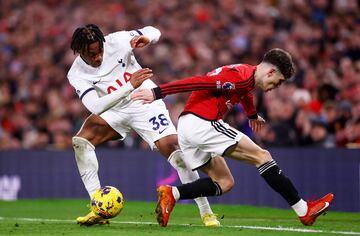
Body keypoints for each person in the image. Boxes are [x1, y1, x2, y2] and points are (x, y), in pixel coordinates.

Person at [132, 48, 334, 227]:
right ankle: (303, 210)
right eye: (278, 81)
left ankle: (173, 193)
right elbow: (199, 81)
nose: (276, 86)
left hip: (187, 126)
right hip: (202, 122)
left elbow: (245, 93)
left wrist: (252, 114)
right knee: (262, 156)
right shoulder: (239, 77)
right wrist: (158, 92)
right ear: (271, 71)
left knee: (224, 182)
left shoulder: (245, 74)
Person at [67, 24, 220, 227]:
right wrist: (129, 85)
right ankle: (99, 206)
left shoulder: (117, 40)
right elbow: (95, 105)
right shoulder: (76, 73)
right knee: (81, 141)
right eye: (91, 54)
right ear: (80, 52)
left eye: (100, 51)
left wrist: (148, 38)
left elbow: (154, 30)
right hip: (114, 109)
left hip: (144, 101)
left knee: (172, 149)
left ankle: (206, 212)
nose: (98, 57)